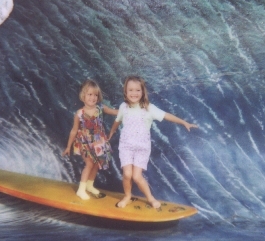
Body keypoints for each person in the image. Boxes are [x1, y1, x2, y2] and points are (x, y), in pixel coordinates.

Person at [108, 75, 198, 209]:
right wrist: (110, 134)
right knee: (127, 174)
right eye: (131, 90)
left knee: (137, 177)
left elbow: (166, 115)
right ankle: (127, 196)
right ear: (126, 92)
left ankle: (150, 198)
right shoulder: (123, 107)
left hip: (142, 148)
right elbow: (117, 120)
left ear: (143, 91)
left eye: (138, 90)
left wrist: (183, 122)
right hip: (126, 146)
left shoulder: (148, 108)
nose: (134, 93)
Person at [62, 79, 117, 200]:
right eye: (90, 94)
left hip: (99, 142)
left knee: (97, 164)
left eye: (95, 95)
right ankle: (81, 190)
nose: (93, 97)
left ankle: (89, 185)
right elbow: (74, 131)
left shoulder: (101, 108)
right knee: (89, 163)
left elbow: (115, 112)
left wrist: (128, 110)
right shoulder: (79, 113)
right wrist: (68, 146)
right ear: (83, 96)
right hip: (85, 143)